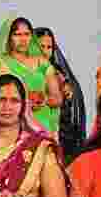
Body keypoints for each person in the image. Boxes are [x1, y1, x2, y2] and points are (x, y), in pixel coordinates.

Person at [0, 17, 63, 134]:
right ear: (8, 37)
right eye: (17, 35)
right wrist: (23, 101)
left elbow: (57, 98)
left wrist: (44, 100)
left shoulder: (42, 63)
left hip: (42, 124)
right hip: (12, 126)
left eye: (27, 34)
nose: (23, 40)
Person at [34, 27, 86, 163]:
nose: (45, 51)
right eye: (40, 47)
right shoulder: (25, 71)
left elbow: (68, 97)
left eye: (49, 47)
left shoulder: (58, 72)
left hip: (59, 129)